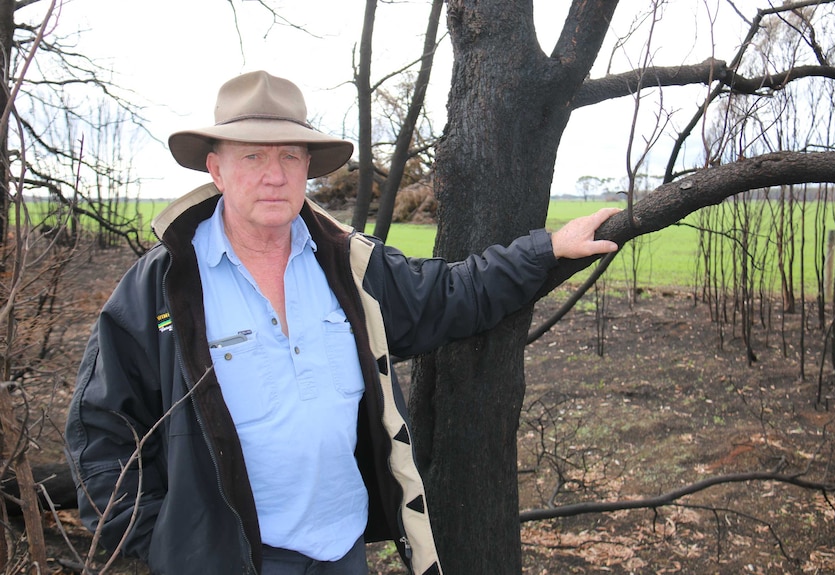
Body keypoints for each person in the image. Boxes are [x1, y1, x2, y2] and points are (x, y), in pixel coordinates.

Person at [65, 70, 619, 575]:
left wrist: (548, 249)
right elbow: (100, 429)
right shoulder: (162, 288)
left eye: (289, 156)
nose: (274, 176)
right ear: (216, 168)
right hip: (233, 562)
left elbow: (452, 294)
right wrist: (167, 542)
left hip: (343, 553)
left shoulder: (349, 267)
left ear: (308, 167)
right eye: (252, 158)